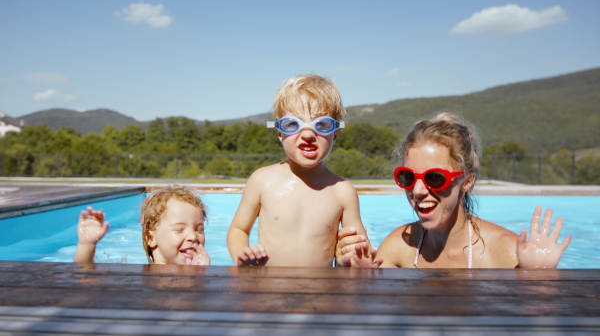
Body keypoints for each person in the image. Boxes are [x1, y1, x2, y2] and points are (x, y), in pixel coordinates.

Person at [337, 112, 571, 268]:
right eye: (408, 177)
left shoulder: (507, 253)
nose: (417, 190)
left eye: (435, 178)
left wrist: (539, 278)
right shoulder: (399, 247)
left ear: (467, 181)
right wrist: (361, 279)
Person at [226, 73, 375, 267]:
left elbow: (357, 245)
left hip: (322, 293)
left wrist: (358, 258)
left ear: (335, 134)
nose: (307, 134)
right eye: (292, 124)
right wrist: (242, 256)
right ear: (279, 132)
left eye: (321, 125)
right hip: (270, 291)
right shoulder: (262, 181)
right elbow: (238, 229)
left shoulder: (342, 191)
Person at [74, 185, 210, 265]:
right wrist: (87, 245)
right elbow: (83, 283)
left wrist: (200, 275)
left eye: (199, 229)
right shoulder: (140, 278)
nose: (193, 236)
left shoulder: (201, 273)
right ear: (150, 238)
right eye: (179, 229)